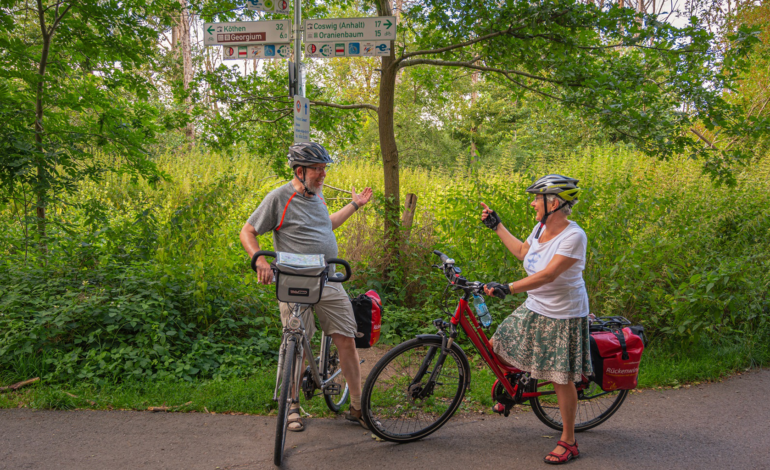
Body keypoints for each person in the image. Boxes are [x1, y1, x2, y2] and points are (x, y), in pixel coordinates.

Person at [239, 142, 373, 432]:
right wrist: (259, 260)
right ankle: (291, 407)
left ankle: (358, 407)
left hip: (328, 279)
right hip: (294, 281)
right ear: (299, 171)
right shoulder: (279, 198)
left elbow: (327, 225)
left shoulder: (318, 195)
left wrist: (354, 205)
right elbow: (248, 231)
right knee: (295, 342)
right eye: (317, 169)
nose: (323, 174)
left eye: (324, 169)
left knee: (347, 340)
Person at [481, 174, 591, 465]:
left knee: (560, 379)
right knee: (497, 343)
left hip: (562, 313)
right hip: (536, 305)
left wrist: (509, 287)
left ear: (553, 203)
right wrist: (498, 225)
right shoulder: (540, 227)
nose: (532, 203)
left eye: (536, 199)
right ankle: (519, 387)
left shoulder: (574, 236)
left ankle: (569, 441)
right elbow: (521, 252)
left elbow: (548, 275)